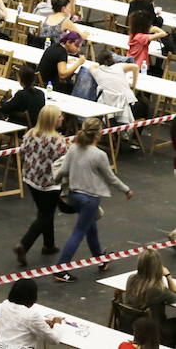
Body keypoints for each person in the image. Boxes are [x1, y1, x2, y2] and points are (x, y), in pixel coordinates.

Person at [53, 117, 134, 281]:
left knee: (90, 228)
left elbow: (63, 170)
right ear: (99, 134)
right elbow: (110, 178)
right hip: (90, 199)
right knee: (79, 232)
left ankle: (100, 258)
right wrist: (126, 190)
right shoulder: (99, 155)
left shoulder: (74, 148)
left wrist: (55, 182)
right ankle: (61, 268)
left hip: (74, 195)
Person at [14, 105, 66, 267]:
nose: (62, 118)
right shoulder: (57, 140)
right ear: (52, 120)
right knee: (45, 215)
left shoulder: (30, 134)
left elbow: (22, 151)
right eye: (60, 116)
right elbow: (67, 159)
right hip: (48, 183)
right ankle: (24, 244)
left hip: (31, 179)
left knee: (44, 211)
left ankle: (48, 245)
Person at [0, 278, 64, 348]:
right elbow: (54, 340)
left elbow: (17, 323)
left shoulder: (5, 304)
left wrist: (40, 323)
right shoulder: (31, 315)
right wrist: (57, 323)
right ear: (32, 297)